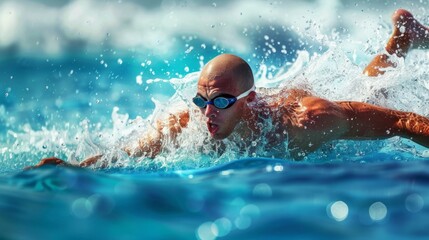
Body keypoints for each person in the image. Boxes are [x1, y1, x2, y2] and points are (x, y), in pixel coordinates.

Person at [30, 9, 429, 169]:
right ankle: (404, 38)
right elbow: (122, 158)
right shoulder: (183, 127)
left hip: (302, 104)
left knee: (373, 92)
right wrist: (72, 171)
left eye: (221, 101)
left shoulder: (308, 122)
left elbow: (402, 121)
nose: (208, 113)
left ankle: (401, 42)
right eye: (202, 100)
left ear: (247, 100)